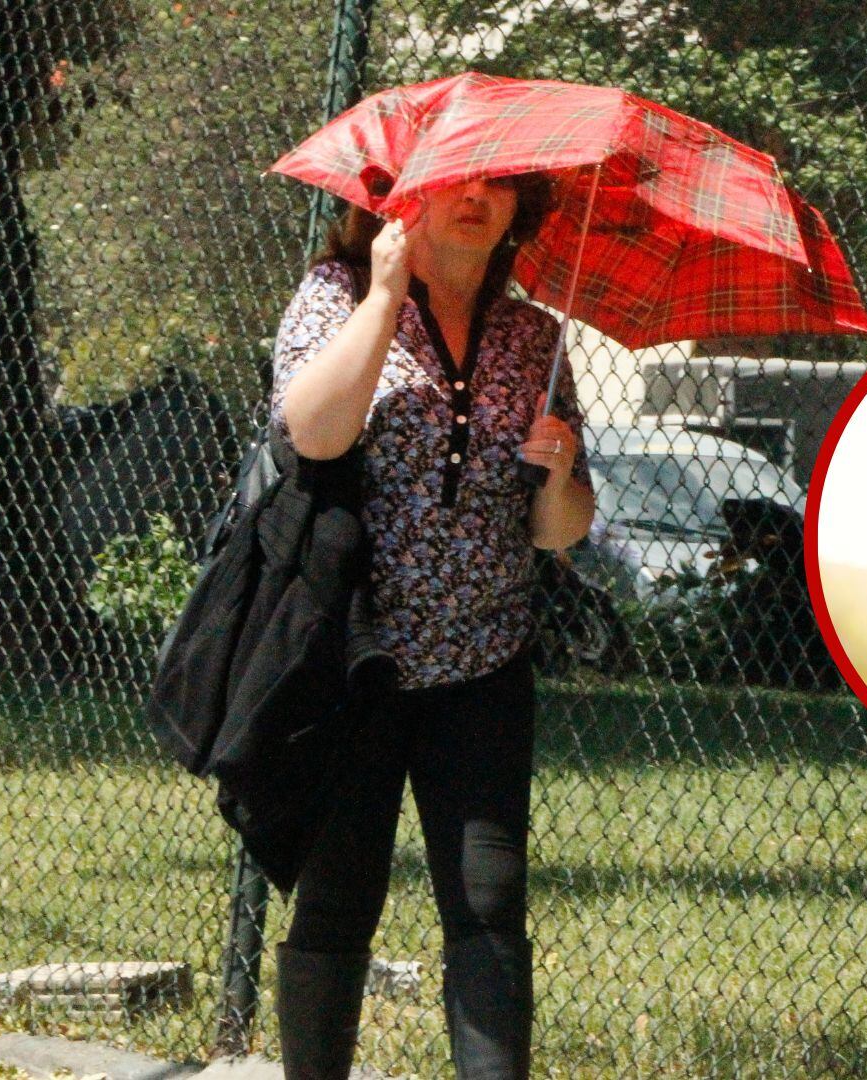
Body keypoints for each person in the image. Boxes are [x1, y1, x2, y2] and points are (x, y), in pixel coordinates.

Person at [266, 171, 594, 1080]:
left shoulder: (535, 336)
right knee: (337, 898)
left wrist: (560, 475)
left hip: (484, 657)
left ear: (518, 213)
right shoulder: (334, 294)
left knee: (490, 903)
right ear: (398, 201)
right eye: (454, 179)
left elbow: (557, 535)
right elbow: (313, 433)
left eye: (497, 185)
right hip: (352, 653)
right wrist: (382, 296)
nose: (477, 197)